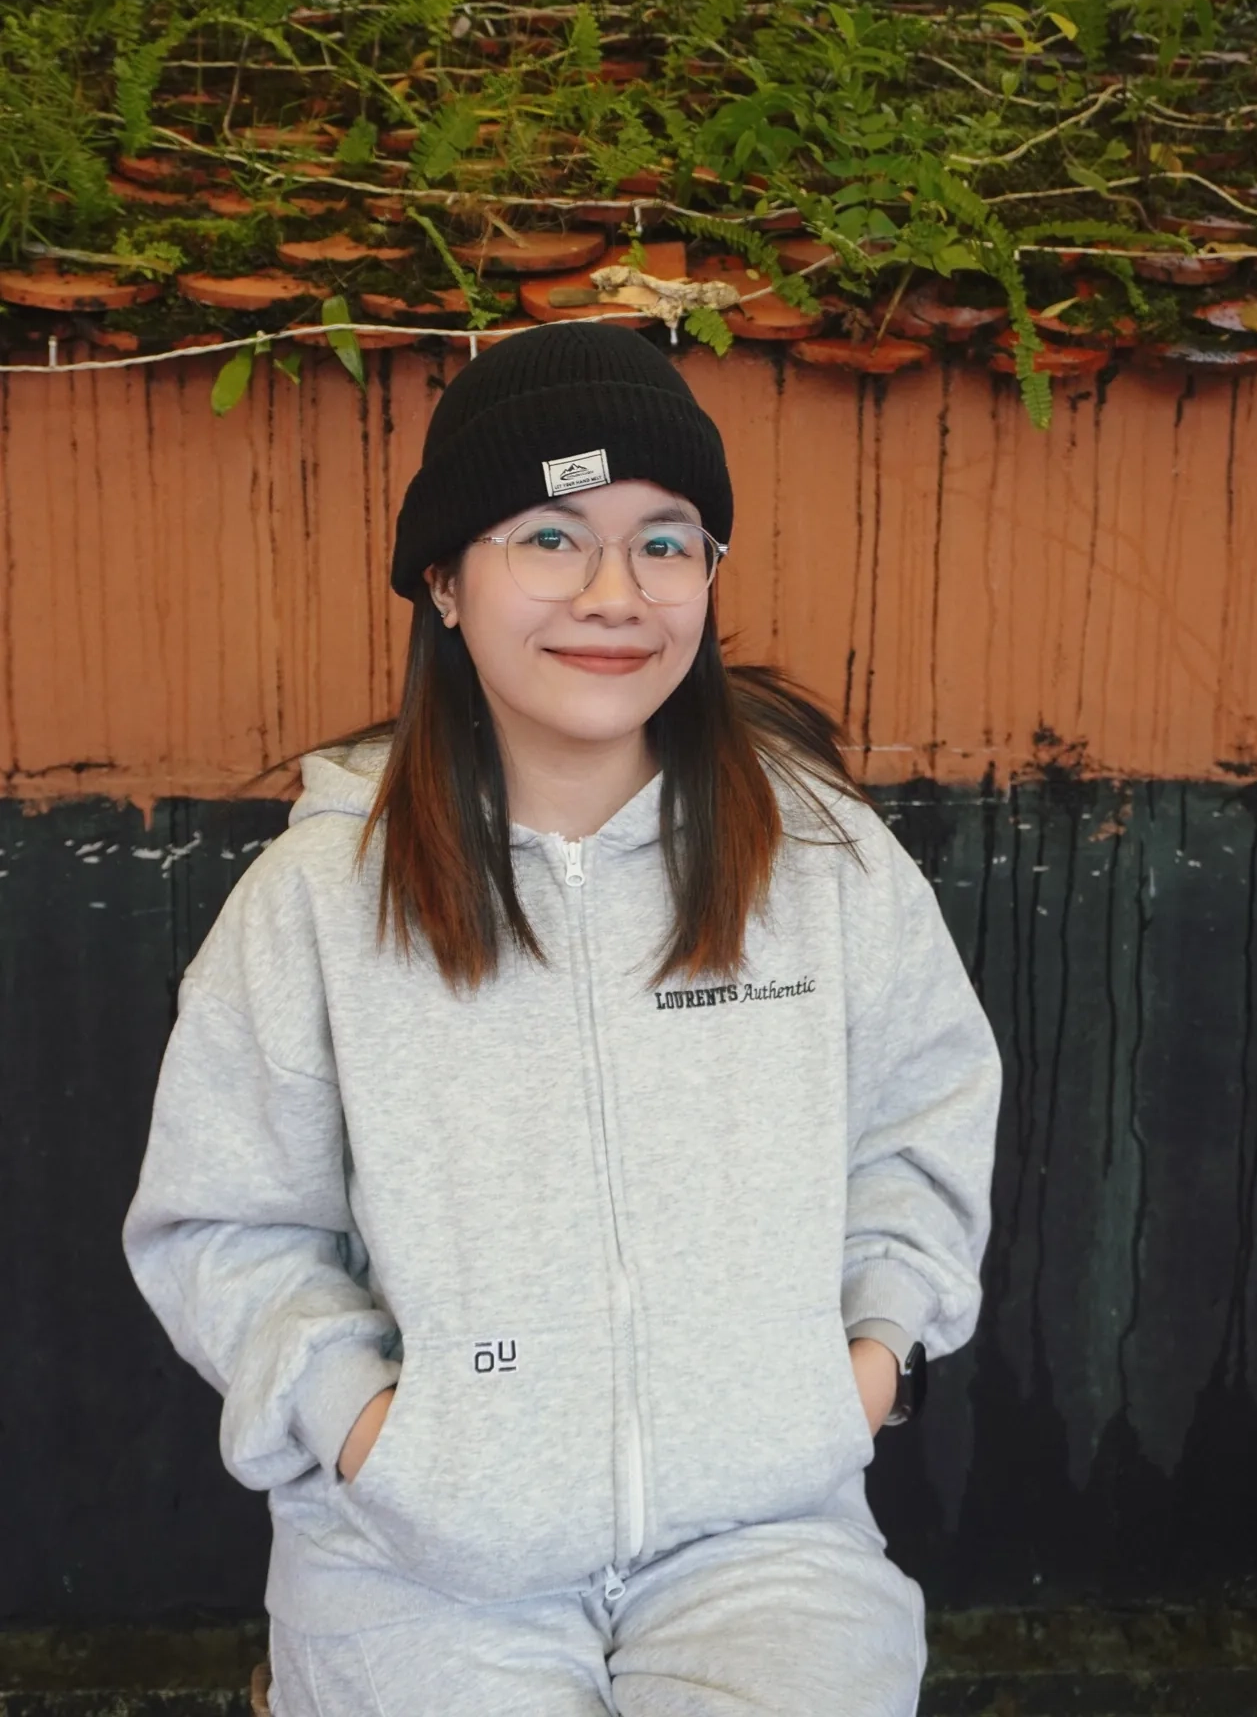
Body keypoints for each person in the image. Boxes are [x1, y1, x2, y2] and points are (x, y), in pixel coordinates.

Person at [123, 321, 1002, 1716]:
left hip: (766, 1536)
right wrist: (370, 1431)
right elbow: (226, 1227)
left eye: (664, 542)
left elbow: (919, 1129)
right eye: (549, 537)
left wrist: (866, 1364)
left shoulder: (824, 862)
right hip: (420, 1561)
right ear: (444, 581)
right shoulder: (317, 898)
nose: (615, 594)